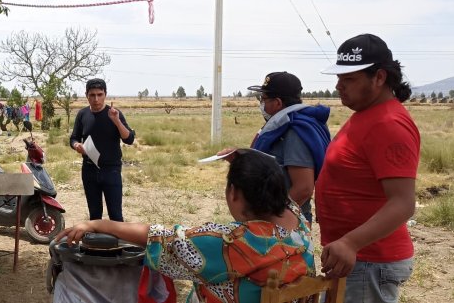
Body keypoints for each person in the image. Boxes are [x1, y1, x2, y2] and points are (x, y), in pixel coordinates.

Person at [56, 148, 315, 303]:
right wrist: (246, 158)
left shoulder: (230, 243)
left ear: (233, 193)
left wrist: (98, 223)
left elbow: (158, 238)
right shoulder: (298, 226)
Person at [317, 33, 419, 303]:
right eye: (339, 78)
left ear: (379, 77)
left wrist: (351, 242)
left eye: (349, 79)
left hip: (369, 262)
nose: (339, 86)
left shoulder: (388, 124)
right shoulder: (366, 114)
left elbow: (403, 202)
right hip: (354, 259)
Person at [246, 72, 331, 223]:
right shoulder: (281, 126)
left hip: (286, 222)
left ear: (278, 103)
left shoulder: (294, 132)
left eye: (264, 99)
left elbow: (303, 188)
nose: (262, 104)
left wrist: (269, 216)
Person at [70, 78, 135, 222]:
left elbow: (129, 139)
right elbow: (73, 138)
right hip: (89, 170)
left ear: (105, 94)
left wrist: (116, 121)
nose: (96, 99)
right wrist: (77, 146)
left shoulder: (114, 113)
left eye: (100, 94)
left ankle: (118, 244)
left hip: (111, 170)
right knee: (94, 215)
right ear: (86, 95)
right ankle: (95, 244)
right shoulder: (82, 114)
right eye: (92, 95)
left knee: (116, 216)